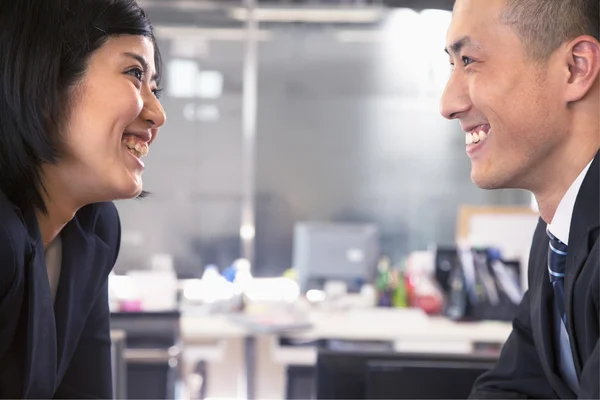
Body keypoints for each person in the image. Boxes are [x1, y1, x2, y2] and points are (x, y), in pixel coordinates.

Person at [0, 0, 166, 397]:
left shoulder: (93, 231)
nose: (157, 114)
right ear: (44, 83)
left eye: (154, 89)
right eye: (133, 73)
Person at [440, 0, 599, 398]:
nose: (448, 104)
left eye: (470, 60)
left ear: (575, 69)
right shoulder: (553, 237)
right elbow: (517, 386)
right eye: (452, 65)